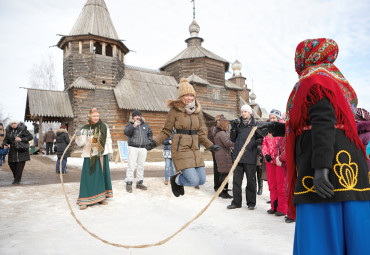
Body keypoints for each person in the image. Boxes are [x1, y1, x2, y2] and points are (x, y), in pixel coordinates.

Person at [258, 38, 370, 254]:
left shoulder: (314, 80)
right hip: (350, 168)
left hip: (325, 169)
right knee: (354, 233)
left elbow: (323, 121)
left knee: (321, 236)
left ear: (305, 57)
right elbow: (312, 122)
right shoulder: (335, 79)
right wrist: (276, 128)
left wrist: (321, 169)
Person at [146, 78, 220, 197]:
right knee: (193, 181)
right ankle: (176, 180)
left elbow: (200, 133)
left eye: (192, 95)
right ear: (181, 96)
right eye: (187, 95)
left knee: (201, 180)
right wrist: (154, 142)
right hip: (181, 149)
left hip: (194, 149)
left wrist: (211, 146)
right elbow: (166, 131)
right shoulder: (175, 110)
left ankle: (177, 179)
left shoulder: (197, 111)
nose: (190, 98)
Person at [75, 108, 114, 210]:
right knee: (88, 177)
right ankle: (84, 200)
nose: (96, 118)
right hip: (89, 155)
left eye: (97, 116)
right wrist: (78, 136)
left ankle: (101, 197)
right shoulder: (85, 128)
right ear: (90, 117)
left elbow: (108, 139)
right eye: (94, 116)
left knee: (101, 176)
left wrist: (110, 151)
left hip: (101, 154)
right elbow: (81, 143)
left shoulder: (104, 127)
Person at [227, 104, 260, 210]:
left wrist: (257, 143)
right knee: (236, 181)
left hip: (250, 156)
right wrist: (233, 128)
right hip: (238, 156)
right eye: (242, 112)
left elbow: (261, 138)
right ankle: (236, 202)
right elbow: (233, 139)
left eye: (245, 111)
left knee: (251, 181)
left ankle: (251, 203)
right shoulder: (238, 124)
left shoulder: (255, 124)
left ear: (250, 113)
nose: (243, 113)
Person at [262, 109, 287, 217]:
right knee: (272, 184)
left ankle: (282, 208)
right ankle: (274, 206)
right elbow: (264, 143)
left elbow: (284, 144)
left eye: (274, 118)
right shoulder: (269, 130)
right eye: (270, 118)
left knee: (281, 184)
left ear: (278, 118)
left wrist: (280, 157)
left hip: (279, 161)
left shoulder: (282, 128)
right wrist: (265, 154)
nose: (272, 119)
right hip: (270, 161)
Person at [124, 109, 152, 192]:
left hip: (143, 148)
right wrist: (134, 126)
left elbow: (150, 133)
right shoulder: (130, 124)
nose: (137, 117)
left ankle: (139, 182)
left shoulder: (145, 125)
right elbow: (126, 132)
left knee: (141, 166)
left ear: (140, 116)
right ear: (133, 117)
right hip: (133, 147)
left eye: (139, 116)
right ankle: (129, 183)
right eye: (135, 116)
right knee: (131, 166)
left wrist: (148, 141)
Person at [2, 120, 32, 184]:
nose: (13, 125)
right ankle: (17, 178)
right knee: (11, 165)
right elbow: (5, 140)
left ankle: (17, 180)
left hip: (22, 151)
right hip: (12, 151)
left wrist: (21, 139)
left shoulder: (23, 129)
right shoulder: (8, 131)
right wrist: (5, 144)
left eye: (14, 123)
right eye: (12, 124)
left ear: (17, 124)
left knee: (19, 167)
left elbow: (30, 137)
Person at [214, 117, 234, 199]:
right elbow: (227, 143)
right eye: (227, 125)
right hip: (223, 155)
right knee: (225, 173)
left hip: (221, 154)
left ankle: (221, 190)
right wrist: (236, 143)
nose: (228, 126)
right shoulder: (222, 133)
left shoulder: (219, 132)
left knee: (223, 173)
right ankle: (223, 191)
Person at [208, 115, 224, 192]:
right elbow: (210, 141)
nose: (219, 122)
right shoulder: (212, 129)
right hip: (216, 152)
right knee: (217, 170)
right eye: (218, 120)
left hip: (223, 153)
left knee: (223, 170)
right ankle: (216, 186)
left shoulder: (223, 129)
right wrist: (215, 149)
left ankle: (222, 186)